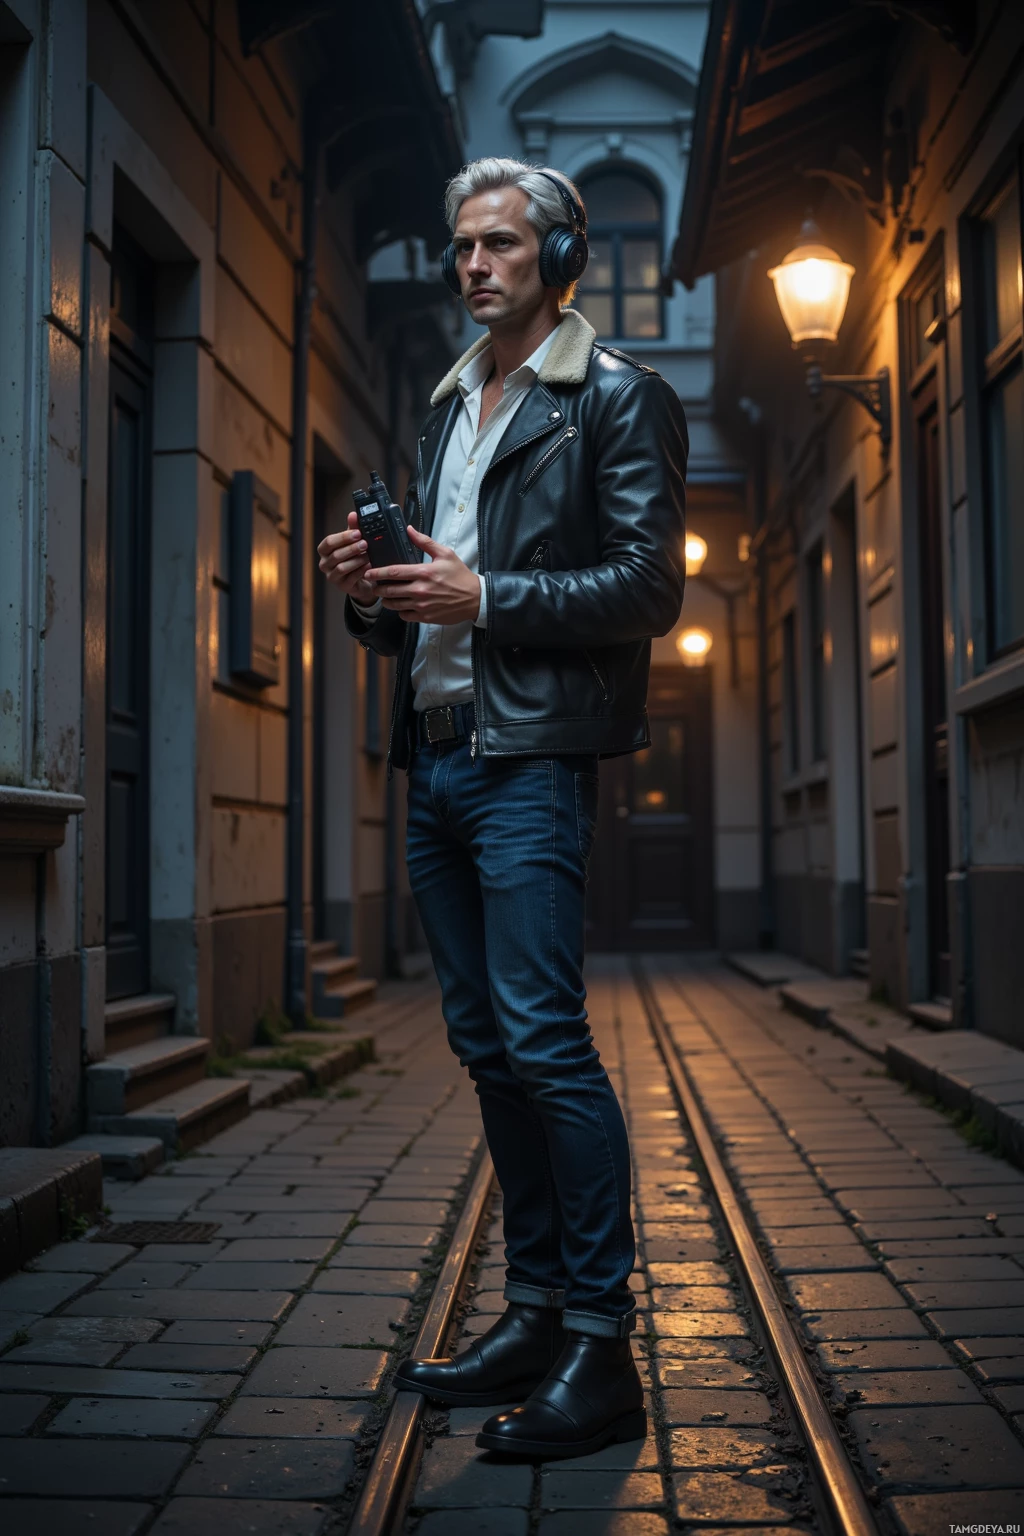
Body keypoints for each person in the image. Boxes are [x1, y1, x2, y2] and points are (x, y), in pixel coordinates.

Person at [317, 157, 687, 1459]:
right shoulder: (448, 407)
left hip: (529, 764)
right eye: (459, 246)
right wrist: (375, 586)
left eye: (498, 245)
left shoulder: (617, 399)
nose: (471, 264)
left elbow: (649, 589)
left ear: (560, 256)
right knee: (486, 1048)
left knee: (543, 1043)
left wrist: (489, 601)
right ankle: (534, 1313)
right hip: (439, 756)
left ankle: (601, 1343)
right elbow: (425, 608)